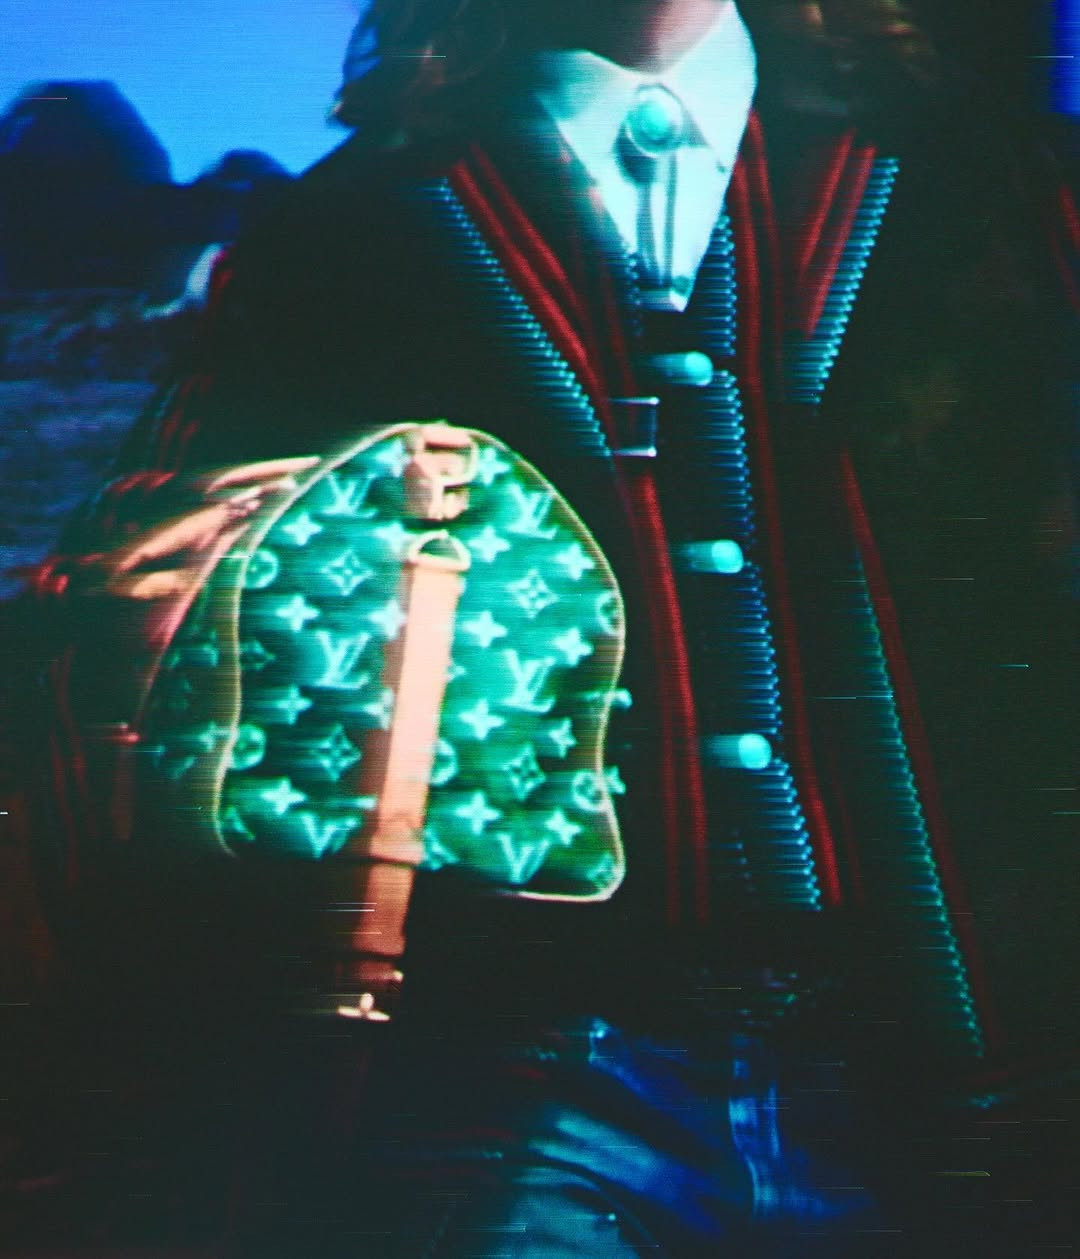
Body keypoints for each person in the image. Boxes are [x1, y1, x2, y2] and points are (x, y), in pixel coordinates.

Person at [15, 0, 1078, 1254]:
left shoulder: (996, 189)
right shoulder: (344, 232)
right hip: (511, 1093)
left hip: (969, 1085)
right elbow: (122, 631)